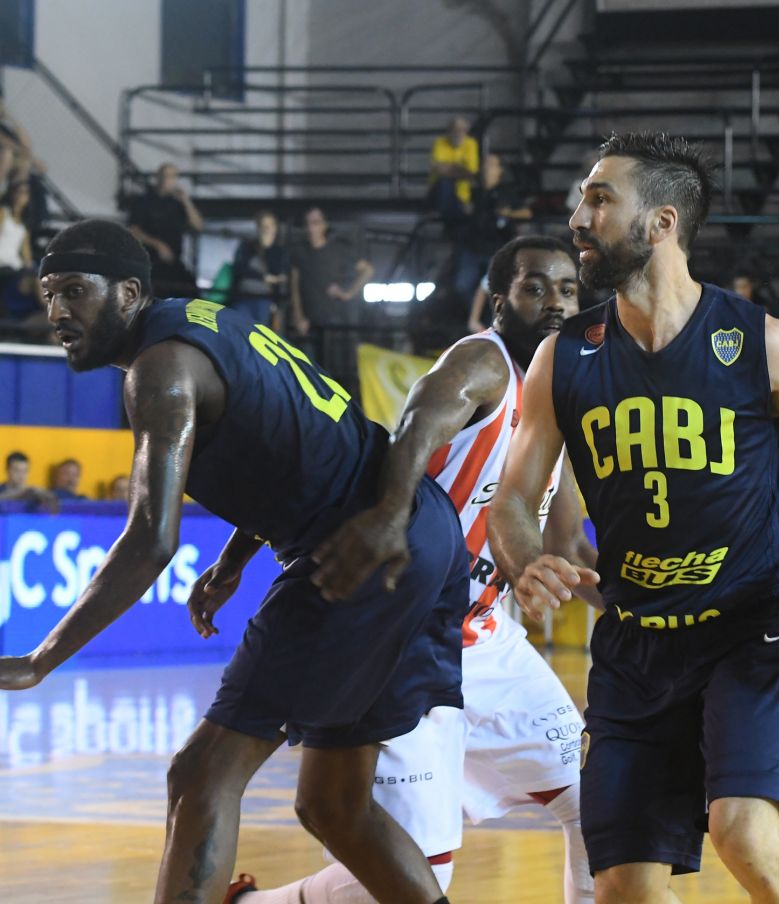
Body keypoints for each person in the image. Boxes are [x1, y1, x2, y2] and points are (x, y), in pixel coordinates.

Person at [487, 131, 779, 904]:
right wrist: (525, 557)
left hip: (750, 628)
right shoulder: (562, 358)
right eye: (582, 199)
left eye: (600, 199)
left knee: (743, 831)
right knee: (622, 889)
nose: (578, 217)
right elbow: (512, 496)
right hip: (635, 644)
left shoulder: (764, 343)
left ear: (662, 222)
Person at [0, 218, 468, 904]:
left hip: (356, 547)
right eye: (48, 294)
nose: (57, 312)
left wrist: (42, 658)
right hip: (422, 533)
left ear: (127, 293)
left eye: (74, 290)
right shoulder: (207, 321)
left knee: (202, 774)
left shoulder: (160, 370)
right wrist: (232, 559)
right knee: (335, 804)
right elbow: (288, 438)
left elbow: (150, 540)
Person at [227, 235, 598, 904]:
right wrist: (389, 518)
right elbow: (414, 429)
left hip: (487, 640)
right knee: (406, 880)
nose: (555, 303)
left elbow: (570, 546)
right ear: (499, 301)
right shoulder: (482, 361)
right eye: (535, 287)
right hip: (407, 642)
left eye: (568, 290)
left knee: (600, 798)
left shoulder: (556, 403)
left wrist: (650, 602)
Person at [289, 207, 374, 390]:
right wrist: (298, 316)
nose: (311, 228)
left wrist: (348, 293)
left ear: (324, 225)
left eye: (315, 223)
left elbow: (367, 270)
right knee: (308, 374)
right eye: (308, 223)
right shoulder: (300, 252)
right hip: (309, 323)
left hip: (335, 321)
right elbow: (295, 285)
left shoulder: (338, 249)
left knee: (336, 372)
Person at [452, 152, 532, 309]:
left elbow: (527, 213)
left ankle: (492, 317)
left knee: (494, 286)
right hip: (473, 246)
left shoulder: (506, 191)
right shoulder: (475, 192)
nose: (486, 168)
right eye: (484, 165)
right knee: (463, 284)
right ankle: (477, 314)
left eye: (491, 165)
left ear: (499, 170)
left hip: (497, 247)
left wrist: (508, 213)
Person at [128, 162, 204, 295]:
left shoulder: (177, 204)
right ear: (159, 178)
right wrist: (158, 245)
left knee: (191, 291)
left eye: (174, 177)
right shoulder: (144, 201)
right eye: (167, 176)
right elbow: (134, 230)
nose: (170, 181)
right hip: (151, 262)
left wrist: (186, 200)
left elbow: (198, 225)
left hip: (174, 262)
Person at [0, 178, 46, 338]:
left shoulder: (23, 225)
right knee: (33, 280)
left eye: (25, 193)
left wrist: (33, 267)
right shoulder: (3, 214)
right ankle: (48, 307)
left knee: (40, 276)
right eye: (19, 192)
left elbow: (26, 255)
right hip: (3, 267)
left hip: (16, 268)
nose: (21, 196)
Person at [230, 210, 289, 327]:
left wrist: (267, 249)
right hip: (243, 296)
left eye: (270, 225)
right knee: (240, 328)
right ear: (258, 228)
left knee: (260, 331)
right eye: (263, 226)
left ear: (275, 228)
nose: (267, 229)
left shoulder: (279, 252)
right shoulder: (247, 247)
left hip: (265, 300)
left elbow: (279, 275)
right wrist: (264, 277)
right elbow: (240, 268)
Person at [427, 116, 480, 226]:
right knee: (445, 182)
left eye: (462, 130)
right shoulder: (440, 142)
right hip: (438, 194)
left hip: (462, 196)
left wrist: (449, 168)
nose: (459, 133)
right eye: (455, 130)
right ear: (449, 131)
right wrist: (460, 170)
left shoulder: (471, 144)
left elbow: (471, 173)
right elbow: (440, 170)